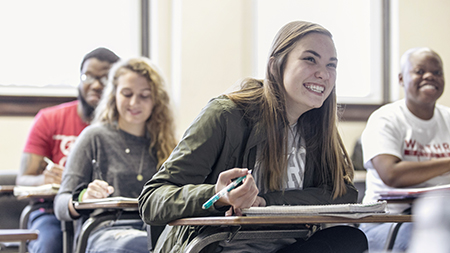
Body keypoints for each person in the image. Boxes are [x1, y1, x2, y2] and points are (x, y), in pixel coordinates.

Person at [138, 21, 368, 253]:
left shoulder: (316, 125)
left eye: (332, 65)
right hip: (219, 248)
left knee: (350, 239)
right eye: (310, 59)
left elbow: (343, 193)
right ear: (276, 65)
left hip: (282, 248)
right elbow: (152, 200)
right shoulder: (227, 115)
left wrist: (267, 202)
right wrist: (218, 197)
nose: (323, 73)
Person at [54, 57, 177, 253]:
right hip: (105, 233)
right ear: (114, 95)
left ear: (156, 100)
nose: (134, 103)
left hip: (157, 233)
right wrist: (84, 197)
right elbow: (60, 205)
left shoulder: (169, 145)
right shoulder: (94, 137)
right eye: (126, 94)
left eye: (144, 96)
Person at [17, 47, 119, 253]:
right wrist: (43, 179)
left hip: (105, 213)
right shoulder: (49, 119)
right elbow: (22, 180)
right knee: (51, 244)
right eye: (88, 76)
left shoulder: (124, 126)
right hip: (50, 211)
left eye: (105, 78)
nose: (96, 85)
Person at [360, 47, 450, 251]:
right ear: (401, 79)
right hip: (390, 223)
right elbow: (392, 174)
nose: (429, 76)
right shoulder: (385, 119)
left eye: (437, 72)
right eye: (419, 71)